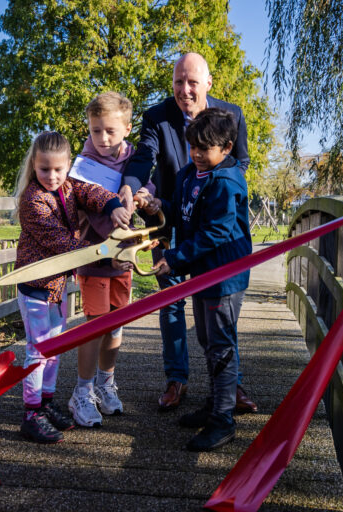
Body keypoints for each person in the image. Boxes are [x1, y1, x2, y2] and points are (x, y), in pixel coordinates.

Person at [119, 52, 257, 414]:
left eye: (192, 82)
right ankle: (177, 379)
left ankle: (229, 388)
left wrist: (205, 185)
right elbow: (143, 157)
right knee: (172, 304)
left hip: (211, 226)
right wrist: (133, 188)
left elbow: (240, 162)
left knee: (218, 314)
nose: (184, 90)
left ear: (208, 83)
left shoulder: (232, 115)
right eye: (179, 82)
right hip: (166, 216)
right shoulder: (156, 117)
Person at [13, 131, 130, 443]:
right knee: (39, 350)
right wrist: (108, 253)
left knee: (57, 347)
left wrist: (113, 206)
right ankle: (30, 412)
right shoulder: (33, 201)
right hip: (35, 285)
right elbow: (64, 245)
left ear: (67, 168)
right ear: (33, 168)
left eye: (58, 169)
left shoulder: (69, 187)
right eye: (44, 169)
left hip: (57, 287)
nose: (52, 176)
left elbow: (92, 192)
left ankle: (46, 404)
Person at [150, 107, 251, 451]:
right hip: (202, 275)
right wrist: (153, 209)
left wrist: (174, 260)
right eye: (193, 146)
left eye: (205, 149)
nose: (196, 154)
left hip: (224, 277)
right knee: (208, 342)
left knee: (221, 345)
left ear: (226, 148)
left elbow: (217, 233)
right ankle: (215, 404)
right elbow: (176, 211)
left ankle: (223, 420)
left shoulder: (226, 181)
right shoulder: (188, 175)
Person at [68, 92, 155, 427]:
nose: (102, 139)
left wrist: (147, 197)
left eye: (110, 131)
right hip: (96, 255)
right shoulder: (82, 166)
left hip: (125, 258)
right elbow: (90, 207)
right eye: (95, 131)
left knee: (117, 322)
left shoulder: (136, 158)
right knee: (95, 323)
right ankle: (82, 392)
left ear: (127, 129)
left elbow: (147, 186)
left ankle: (106, 383)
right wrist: (116, 238)